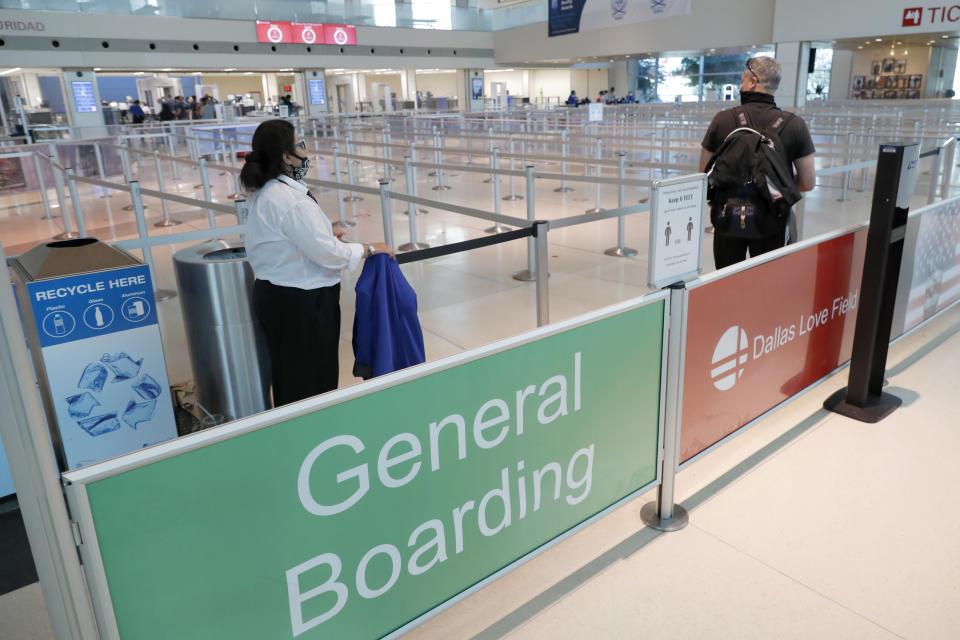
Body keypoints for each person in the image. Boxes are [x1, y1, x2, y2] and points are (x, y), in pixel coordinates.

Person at [242, 119, 395, 406]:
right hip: (303, 303)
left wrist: (325, 232)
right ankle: (315, 439)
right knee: (313, 382)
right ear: (285, 156)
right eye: (300, 144)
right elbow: (328, 254)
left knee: (290, 376)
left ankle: (298, 436)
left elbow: (288, 238)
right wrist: (369, 248)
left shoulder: (267, 191)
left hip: (278, 296)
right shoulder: (290, 200)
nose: (305, 150)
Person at [699, 56, 815, 269]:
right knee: (769, 286)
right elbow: (807, 182)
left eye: (743, 80)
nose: (741, 86)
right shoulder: (795, 125)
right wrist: (774, 188)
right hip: (773, 219)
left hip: (727, 219)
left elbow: (704, 174)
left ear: (753, 81)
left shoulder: (722, 120)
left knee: (727, 282)